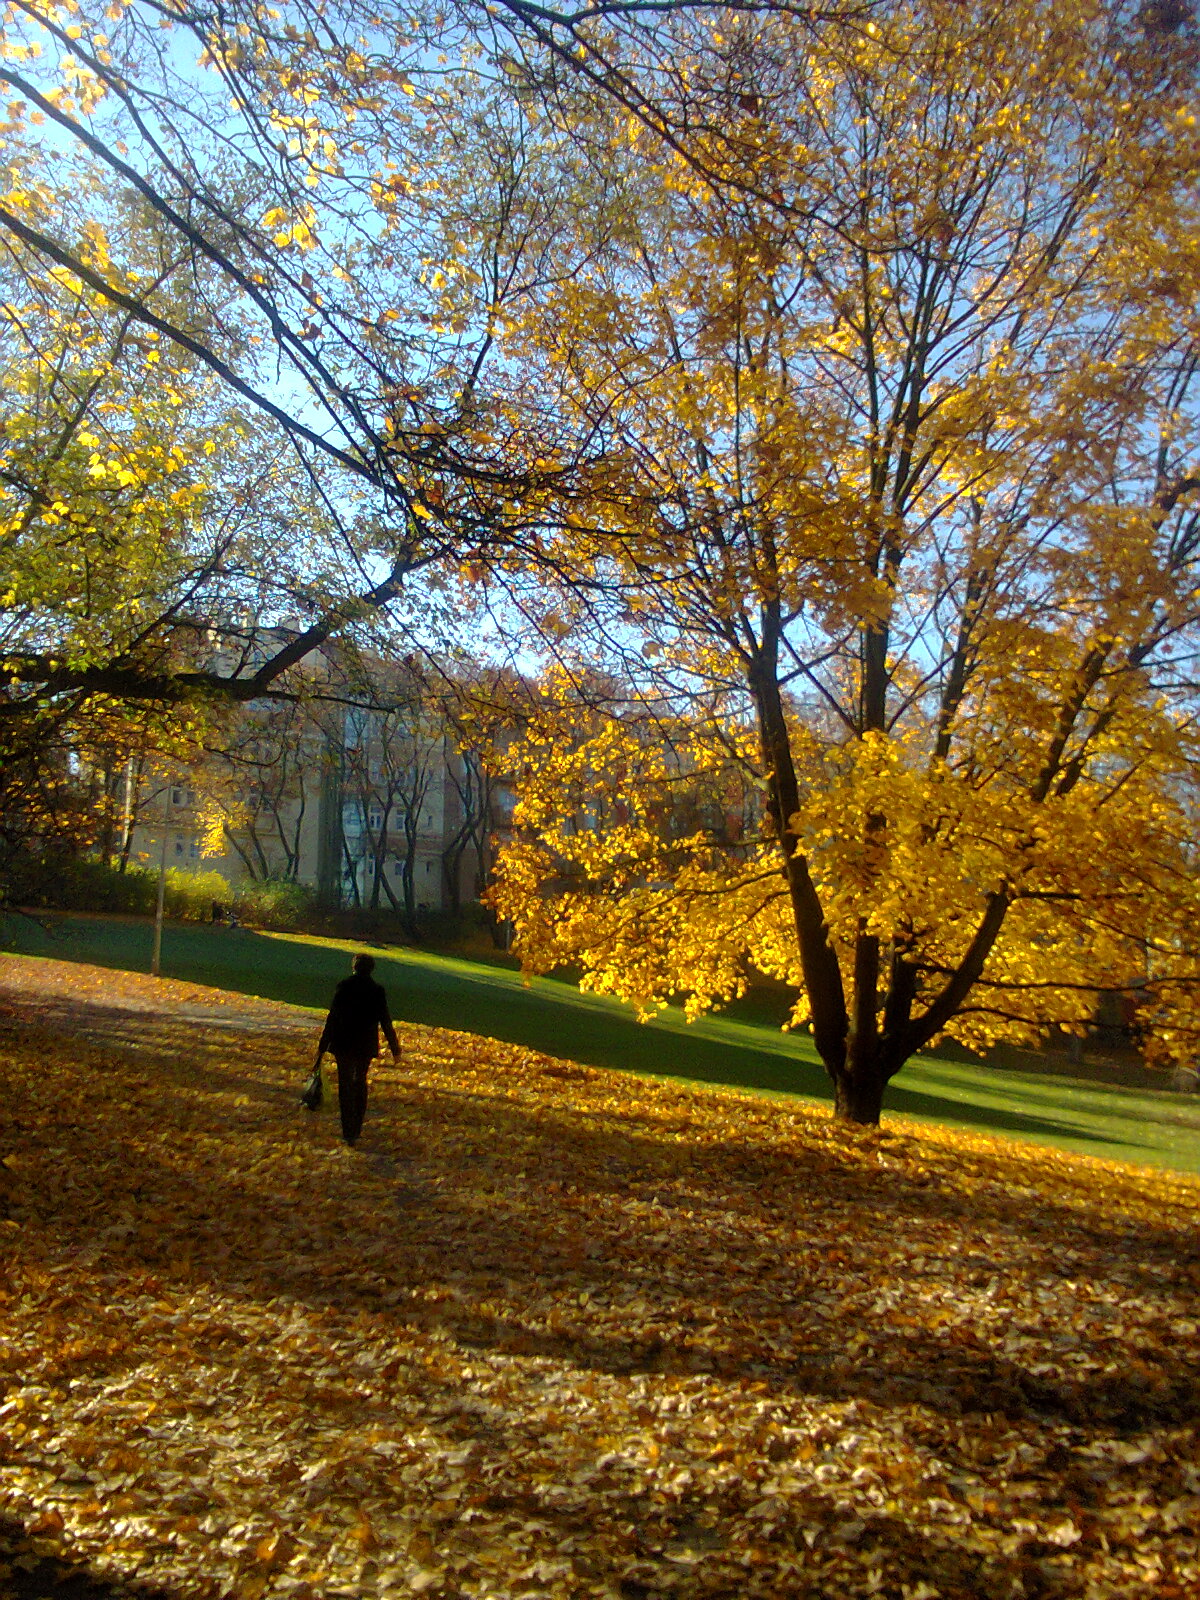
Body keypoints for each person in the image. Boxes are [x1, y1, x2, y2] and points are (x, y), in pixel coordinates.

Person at [316, 953, 400, 1145]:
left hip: (343, 1041)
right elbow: (385, 1020)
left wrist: (323, 1044)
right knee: (360, 1081)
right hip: (365, 1043)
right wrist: (394, 1047)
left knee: (345, 1084)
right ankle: (357, 1126)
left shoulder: (344, 987)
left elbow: (333, 1017)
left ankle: (348, 1131)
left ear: (354, 967)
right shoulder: (377, 990)